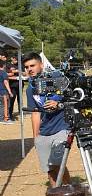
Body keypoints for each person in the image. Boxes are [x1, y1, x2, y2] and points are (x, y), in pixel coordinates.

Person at [24, 53, 71, 186]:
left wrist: (58, 103)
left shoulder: (57, 78)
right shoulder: (30, 89)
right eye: (26, 67)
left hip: (61, 127)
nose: (29, 69)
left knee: (58, 165)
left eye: (32, 65)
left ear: (41, 65)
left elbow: (70, 97)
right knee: (49, 169)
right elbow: (35, 113)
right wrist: (36, 137)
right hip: (44, 131)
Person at [7, 56, 19, 120]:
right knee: (11, 101)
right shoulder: (8, 65)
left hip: (19, 85)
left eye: (17, 60)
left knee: (19, 100)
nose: (16, 61)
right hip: (12, 86)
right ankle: (10, 114)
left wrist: (20, 72)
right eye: (15, 59)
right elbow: (6, 74)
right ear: (12, 59)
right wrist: (15, 71)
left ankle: (20, 112)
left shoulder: (19, 65)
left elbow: (24, 73)